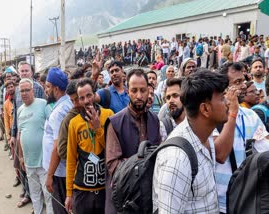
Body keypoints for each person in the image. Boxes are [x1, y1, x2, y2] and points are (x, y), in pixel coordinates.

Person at [153, 70, 229, 213]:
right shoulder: (176, 159)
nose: (228, 102)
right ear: (205, 109)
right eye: (222, 98)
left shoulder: (206, 137)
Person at [215, 62, 269, 213]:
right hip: (219, 203)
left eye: (244, 80)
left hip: (246, 199)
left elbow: (265, 145)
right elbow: (220, 155)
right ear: (223, 88)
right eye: (237, 82)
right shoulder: (212, 117)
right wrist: (232, 113)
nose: (244, 86)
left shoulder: (251, 116)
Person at [105, 69, 161, 214]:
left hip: (149, 195)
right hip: (125, 198)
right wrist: (140, 168)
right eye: (134, 90)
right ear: (128, 91)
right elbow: (113, 165)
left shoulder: (155, 120)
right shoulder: (115, 122)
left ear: (149, 91)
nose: (139, 96)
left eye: (143, 90)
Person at [65, 78, 114, 214]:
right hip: (82, 190)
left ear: (94, 95)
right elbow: (71, 160)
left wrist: (98, 128)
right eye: (81, 98)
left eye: (88, 95)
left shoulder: (108, 115)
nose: (86, 101)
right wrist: (69, 193)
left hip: (105, 188)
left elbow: (112, 150)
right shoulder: (74, 123)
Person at [10, 61, 44, 208]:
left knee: (45, 184)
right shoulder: (17, 92)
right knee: (24, 171)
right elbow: (17, 117)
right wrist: (12, 134)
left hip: (41, 149)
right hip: (24, 146)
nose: (24, 73)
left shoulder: (40, 92)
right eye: (21, 71)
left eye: (26, 71)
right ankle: (29, 197)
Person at [17, 78, 52, 214]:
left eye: (27, 90)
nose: (24, 93)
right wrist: (21, 157)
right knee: (34, 195)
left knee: (48, 195)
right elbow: (20, 135)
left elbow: (52, 129)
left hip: (44, 162)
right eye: (22, 91)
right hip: (29, 162)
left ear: (33, 91)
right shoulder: (20, 110)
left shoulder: (43, 104)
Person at [42, 67, 72, 214]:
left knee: (61, 210)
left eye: (48, 86)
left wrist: (49, 176)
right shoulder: (67, 104)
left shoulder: (59, 112)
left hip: (59, 173)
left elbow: (57, 148)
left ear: (57, 88)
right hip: (62, 170)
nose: (46, 90)